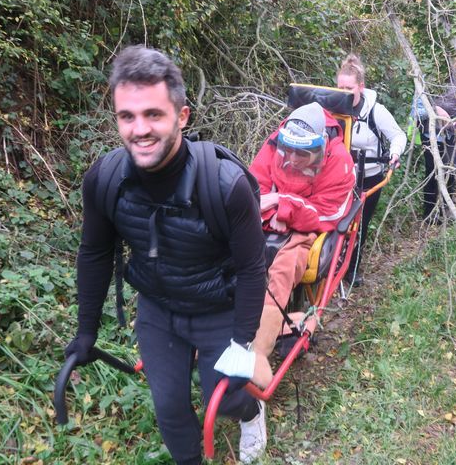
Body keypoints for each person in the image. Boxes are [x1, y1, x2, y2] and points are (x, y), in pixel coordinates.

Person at [64, 45, 268, 465]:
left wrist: (242, 343)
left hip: (217, 307)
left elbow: (252, 267)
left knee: (226, 397)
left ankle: (251, 412)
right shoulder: (105, 180)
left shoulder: (226, 185)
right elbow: (95, 252)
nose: (140, 129)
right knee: (170, 407)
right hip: (159, 308)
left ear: (182, 116)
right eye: (127, 116)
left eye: (153, 114)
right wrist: (87, 330)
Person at [249, 102, 355, 357]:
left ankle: (257, 354)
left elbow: (326, 214)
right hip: (267, 221)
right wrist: (276, 209)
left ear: (319, 149)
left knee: (283, 271)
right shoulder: (274, 144)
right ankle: (218, 326)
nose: (294, 159)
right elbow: (254, 190)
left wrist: (283, 204)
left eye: (303, 153)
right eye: (289, 151)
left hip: (306, 231)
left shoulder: (339, 162)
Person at [336, 53, 407, 286]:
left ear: (361, 87)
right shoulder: (333, 108)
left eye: (349, 88)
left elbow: (397, 135)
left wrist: (395, 153)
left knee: (360, 224)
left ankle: (352, 268)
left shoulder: (376, 111)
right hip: (339, 177)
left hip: (370, 177)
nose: (345, 92)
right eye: (340, 87)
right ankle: (331, 264)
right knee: (336, 221)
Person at [409, 89, 456, 222]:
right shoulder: (423, 85)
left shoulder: (453, 81)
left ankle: (446, 210)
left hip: (449, 136)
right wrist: (436, 110)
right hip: (431, 138)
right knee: (432, 175)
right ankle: (429, 214)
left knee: (449, 174)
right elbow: (415, 113)